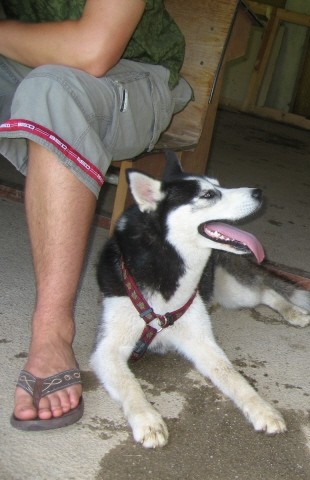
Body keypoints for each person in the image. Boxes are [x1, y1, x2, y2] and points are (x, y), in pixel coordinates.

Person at [0, 0, 192, 430]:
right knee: (45, 82)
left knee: (52, 89)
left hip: (132, 70)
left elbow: (94, 49)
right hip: (23, 55)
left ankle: (52, 333)